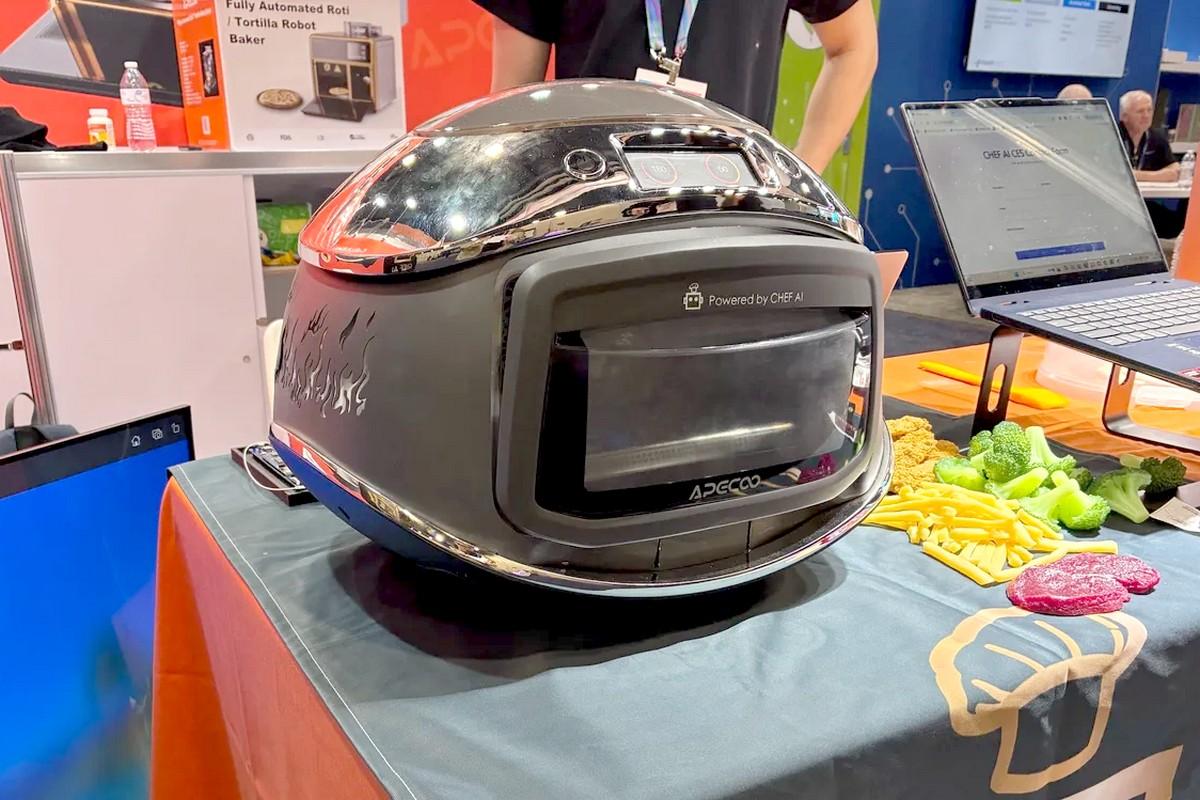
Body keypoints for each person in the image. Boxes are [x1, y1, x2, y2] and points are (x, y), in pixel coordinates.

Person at [474, 0, 878, 173]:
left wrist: (797, 181)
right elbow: (511, 107)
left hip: (731, 217)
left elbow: (853, 47)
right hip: (587, 217)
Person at [1118, 89, 1185, 239]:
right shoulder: (1112, 135)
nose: (1146, 116)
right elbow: (1116, 174)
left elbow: (1175, 169)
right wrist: (1160, 176)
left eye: (1149, 110)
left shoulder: (1155, 137)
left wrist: (1137, 175)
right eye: (1140, 111)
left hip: (1143, 201)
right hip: (1116, 201)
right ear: (1124, 116)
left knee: (1176, 224)